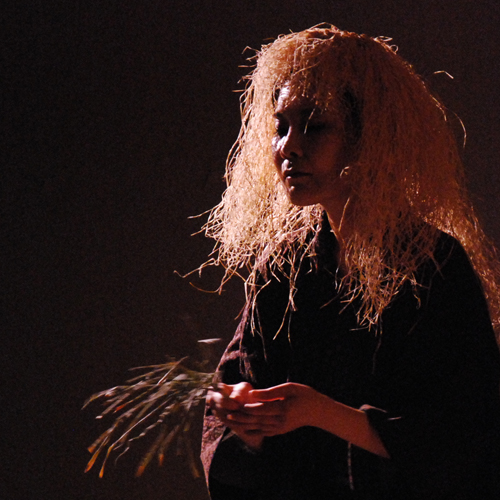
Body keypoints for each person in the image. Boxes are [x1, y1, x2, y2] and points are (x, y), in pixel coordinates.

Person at [199, 25, 500, 499]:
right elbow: (234, 396)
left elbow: (465, 437)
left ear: (369, 139)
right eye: (281, 126)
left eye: (315, 126)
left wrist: (319, 411)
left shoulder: (433, 264)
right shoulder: (284, 267)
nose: (288, 146)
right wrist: (244, 418)